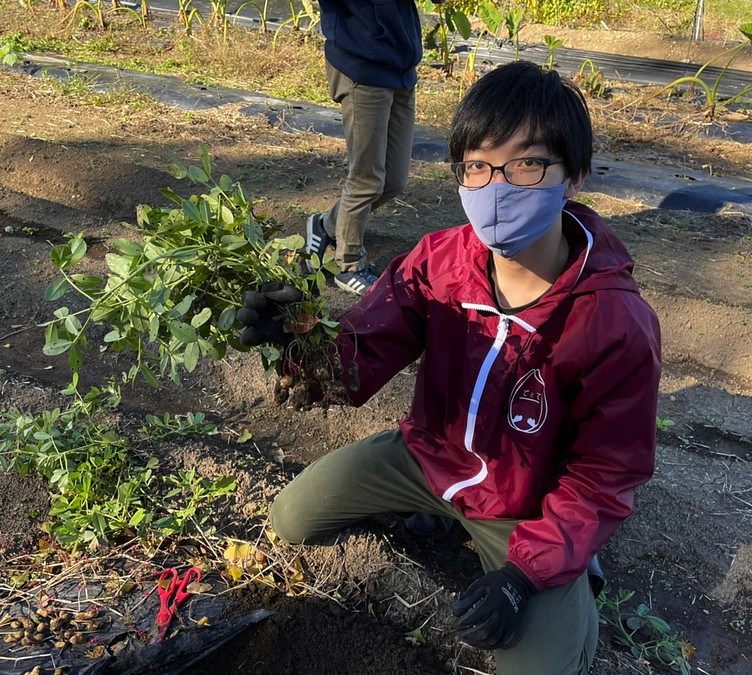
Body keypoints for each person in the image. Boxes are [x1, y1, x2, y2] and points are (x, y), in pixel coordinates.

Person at [247, 62, 662, 674]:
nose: (496, 186)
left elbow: (605, 474)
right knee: (291, 519)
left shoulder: (615, 321)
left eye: (526, 164)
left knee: (541, 669)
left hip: (524, 504)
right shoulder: (438, 263)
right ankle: (438, 515)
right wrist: (296, 340)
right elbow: (360, 357)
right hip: (428, 459)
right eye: (477, 166)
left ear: (573, 175)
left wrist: (524, 576)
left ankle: (576, 586)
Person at [304, 0, 428, 295]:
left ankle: (327, 225)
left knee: (394, 181)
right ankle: (349, 265)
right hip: (362, 66)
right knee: (366, 179)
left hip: (400, 65)